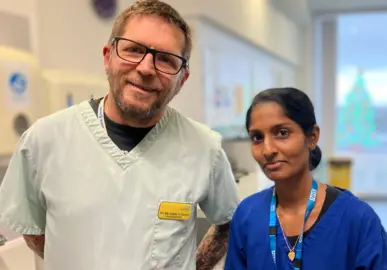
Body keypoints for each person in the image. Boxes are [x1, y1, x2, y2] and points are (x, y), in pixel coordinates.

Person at [0, 1, 240, 269]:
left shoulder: (205, 147)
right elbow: (32, 231)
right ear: (107, 57)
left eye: (165, 59)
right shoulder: (43, 141)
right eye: (134, 50)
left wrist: (193, 265)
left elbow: (228, 223)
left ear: (182, 80)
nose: (147, 68)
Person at [225, 87, 387, 269]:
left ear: (312, 137)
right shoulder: (247, 216)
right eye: (257, 137)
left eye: (282, 133)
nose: (268, 150)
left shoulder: (358, 220)